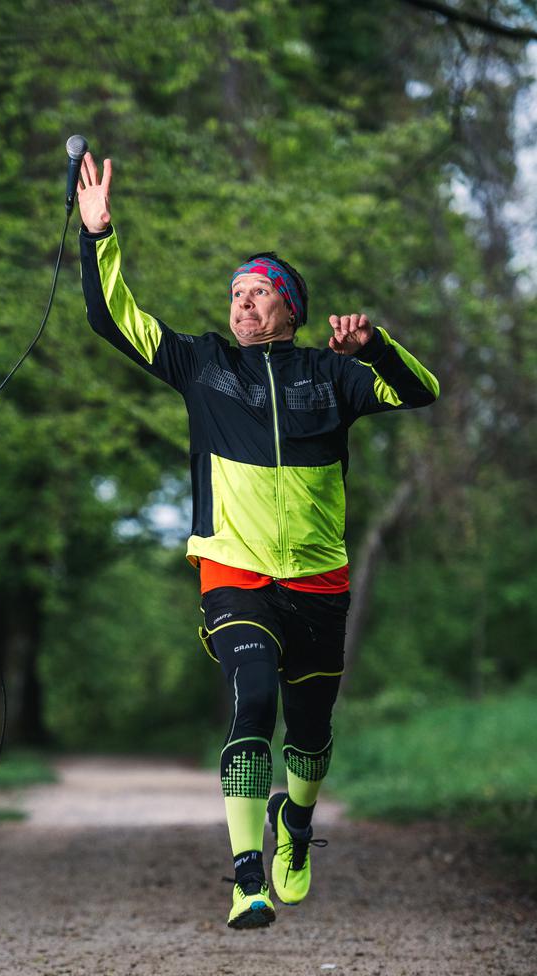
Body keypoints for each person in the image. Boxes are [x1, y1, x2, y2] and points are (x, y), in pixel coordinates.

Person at [76, 150, 439, 930]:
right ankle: (246, 877)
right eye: (236, 294)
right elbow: (115, 318)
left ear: (291, 309)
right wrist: (98, 236)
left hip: (318, 581)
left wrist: (373, 348)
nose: (242, 305)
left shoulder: (332, 375)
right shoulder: (203, 366)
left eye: (259, 294)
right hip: (233, 572)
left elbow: (422, 391)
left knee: (310, 736)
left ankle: (296, 828)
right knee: (253, 699)